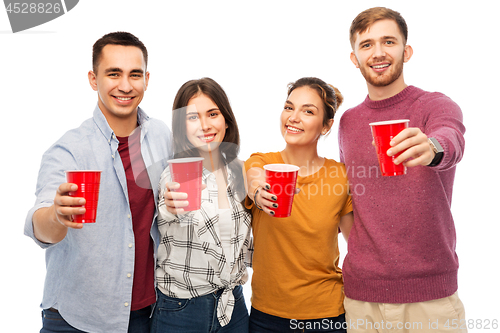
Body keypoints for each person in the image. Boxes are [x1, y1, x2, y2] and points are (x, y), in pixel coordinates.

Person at [24, 32, 172, 333]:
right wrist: (56, 214)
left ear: (147, 78)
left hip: (148, 313)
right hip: (76, 317)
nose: (126, 86)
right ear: (93, 79)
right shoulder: (69, 150)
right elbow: (39, 224)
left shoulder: (161, 136)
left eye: (135, 74)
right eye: (113, 74)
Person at [339, 7, 466, 332]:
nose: (378, 52)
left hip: (430, 299)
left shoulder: (435, 106)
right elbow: (349, 196)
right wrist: (364, 250)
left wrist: (431, 148)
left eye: (388, 42)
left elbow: (450, 140)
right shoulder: (349, 121)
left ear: (406, 51)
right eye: (366, 44)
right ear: (354, 58)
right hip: (361, 299)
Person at [245, 77, 354, 333]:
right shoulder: (261, 161)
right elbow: (253, 176)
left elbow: (358, 245)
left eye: (308, 111)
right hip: (267, 317)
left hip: (328, 315)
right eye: (289, 107)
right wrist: (260, 192)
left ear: (326, 126)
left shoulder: (340, 175)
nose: (293, 117)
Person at [151, 77, 251, 332]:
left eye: (213, 114)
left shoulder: (241, 171)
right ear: (182, 127)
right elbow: (167, 206)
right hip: (181, 310)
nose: (205, 125)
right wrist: (170, 206)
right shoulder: (176, 174)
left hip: (233, 307)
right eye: (193, 117)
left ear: (226, 120)